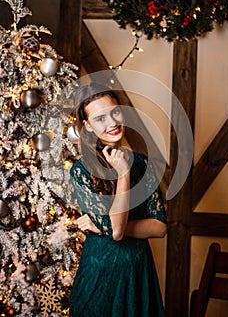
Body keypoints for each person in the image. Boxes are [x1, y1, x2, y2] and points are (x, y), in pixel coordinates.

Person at [69, 82, 167, 317]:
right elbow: (116, 233)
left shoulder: (143, 164)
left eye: (115, 112)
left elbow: (160, 226)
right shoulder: (81, 171)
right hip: (100, 275)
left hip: (138, 275)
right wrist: (123, 173)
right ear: (88, 126)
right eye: (100, 118)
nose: (112, 123)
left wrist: (102, 225)